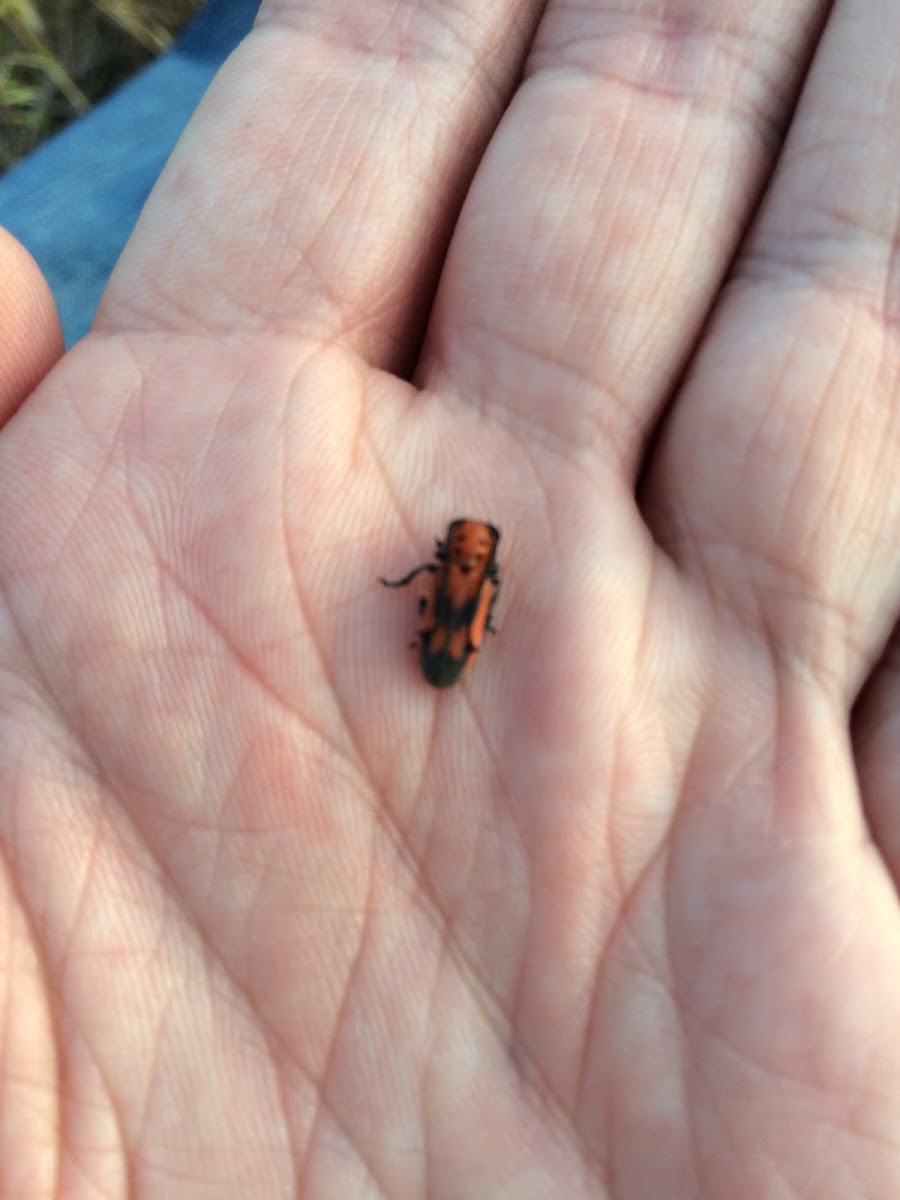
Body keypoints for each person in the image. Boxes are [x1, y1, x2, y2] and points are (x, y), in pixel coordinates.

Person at [1, 1, 899, 1194]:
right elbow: (454, 597)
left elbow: (450, 596)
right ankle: (212, 49)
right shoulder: (465, 576)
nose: (460, 555)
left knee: (156, 148)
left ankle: (212, 48)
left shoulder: (458, 576)